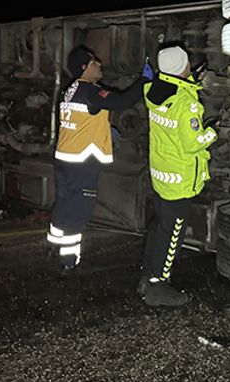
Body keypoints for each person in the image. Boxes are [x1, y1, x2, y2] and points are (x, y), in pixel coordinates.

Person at [46, 45, 154, 274]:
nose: (100, 65)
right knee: (79, 210)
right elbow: (121, 102)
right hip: (82, 162)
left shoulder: (71, 89)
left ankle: (55, 240)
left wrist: (105, 131)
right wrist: (144, 82)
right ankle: (69, 261)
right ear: (85, 68)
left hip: (65, 157)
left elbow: (83, 120)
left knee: (64, 202)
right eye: (95, 62)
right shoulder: (91, 93)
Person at [137, 45, 216, 306]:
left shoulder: (154, 91)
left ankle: (148, 277)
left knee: (160, 229)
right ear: (183, 67)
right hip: (180, 179)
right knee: (172, 236)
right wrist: (213, 132)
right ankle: (158, 287)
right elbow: (193, 143)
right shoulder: (186, 103)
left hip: (162, 174)